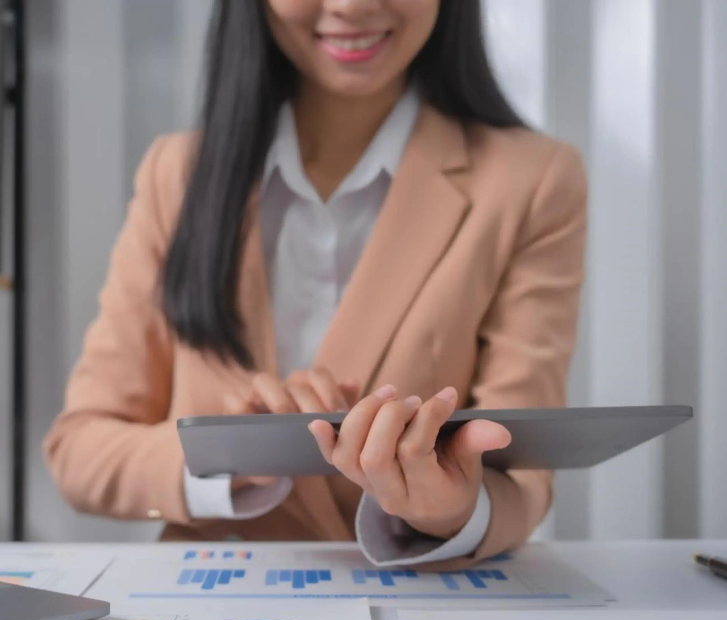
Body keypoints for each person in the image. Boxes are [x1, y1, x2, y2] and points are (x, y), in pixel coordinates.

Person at [44, 0, 587, 569]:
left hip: (419, 596)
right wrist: (231, 459)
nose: (351, 5)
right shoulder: (177, 174)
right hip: (210, 604)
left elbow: (524, 473)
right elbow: (79, 450)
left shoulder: (533, 181)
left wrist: (453, 508)